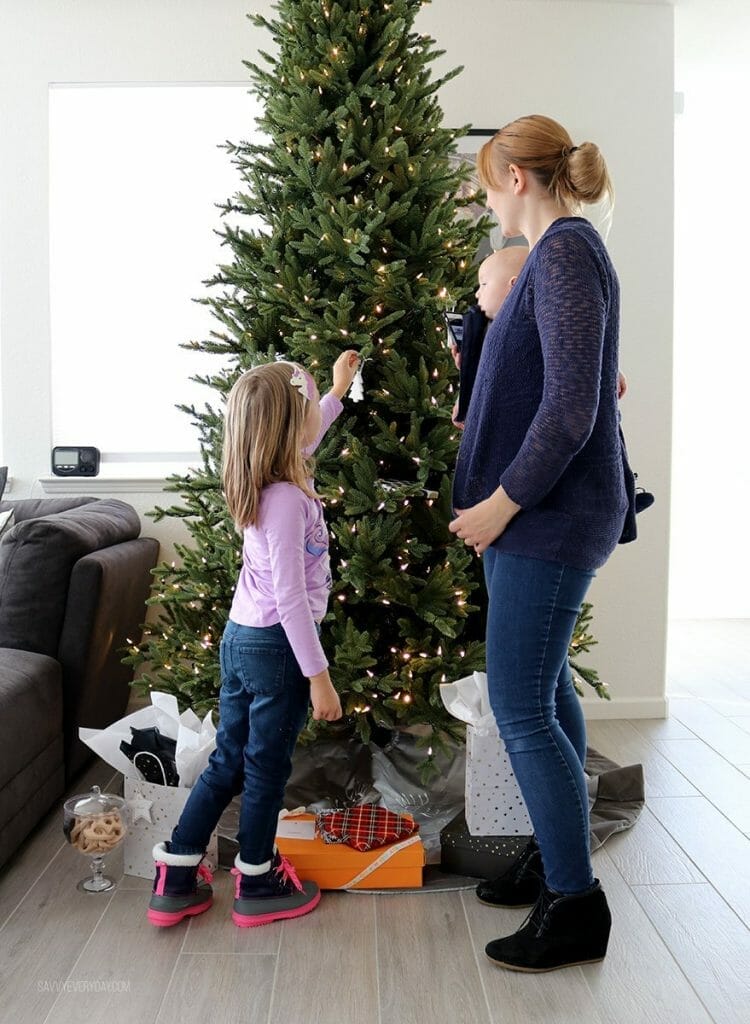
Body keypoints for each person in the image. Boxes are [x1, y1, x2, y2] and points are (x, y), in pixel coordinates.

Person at [449, 114, 629, 972]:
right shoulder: (559, 257)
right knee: (543, 691)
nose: (487, 197)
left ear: (515, 177)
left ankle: (575, 905)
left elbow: (569, 411)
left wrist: (499, 506)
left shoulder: (561, 251)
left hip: (546, 517)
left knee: (520, 706)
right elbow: (569, 379)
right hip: (545, 515)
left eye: (488, 180)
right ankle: (559, 857)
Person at [147, 351, 359, 929]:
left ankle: (177, 874)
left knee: (227, 761)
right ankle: (258, 879)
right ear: (291, 426)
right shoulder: (289, 500)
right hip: (277, 649)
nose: (318, 414)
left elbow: (310, 437)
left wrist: (337, 391)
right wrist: (319, 676)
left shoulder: (265, 477)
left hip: (240, 639)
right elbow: (291, 599)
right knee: (265, 769)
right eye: (311, 405)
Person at [451, 247, 530, 428]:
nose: (477, 293)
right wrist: (467, 366)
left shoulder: (517, 333)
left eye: (484, 284)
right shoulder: (489, 328)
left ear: (514, 285)